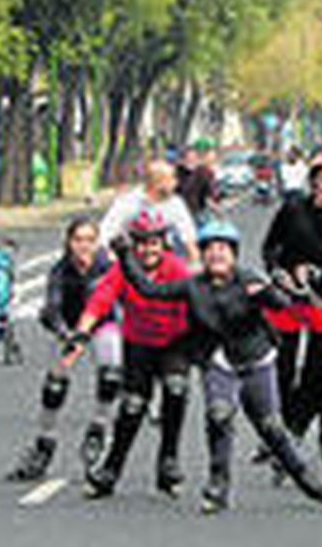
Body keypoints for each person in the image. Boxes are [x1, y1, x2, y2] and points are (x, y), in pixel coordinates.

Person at [103, 222, 322, 512]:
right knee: (219, 415)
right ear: (203, 256)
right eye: (210, 249)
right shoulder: (193, 286)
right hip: (218, 360)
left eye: (223, 249)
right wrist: (125, 253)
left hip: (255, 359)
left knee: (270, 427)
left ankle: (309, 482)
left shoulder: (249, 279)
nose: (216, 255)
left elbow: (282, 304)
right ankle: (218, 485)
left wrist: (269, 292)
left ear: (234, 255)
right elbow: (149, 289)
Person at [72, 210, 195, 498]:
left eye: (153, 243)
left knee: (176, 390)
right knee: (133, 406)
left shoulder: (176, 268)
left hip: (174, 342)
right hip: (138, 343)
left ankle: (168, 460)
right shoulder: (123, 268)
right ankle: (111, 470)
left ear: (163, 243)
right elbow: (101, 298)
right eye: (141, 243)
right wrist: (82, 330)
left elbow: (196, 303)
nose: (147, 250)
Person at [261, 148, 322, 489]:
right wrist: (278, 273)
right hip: (288, 299)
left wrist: (318, 274)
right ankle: (285, 436)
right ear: (312, 181)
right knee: (283, 370)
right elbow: (270, 247)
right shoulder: (292, 209)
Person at [6, 218, 120, 481]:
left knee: (111, 372)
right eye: (78, 240)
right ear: (69, 243)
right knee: (55, 384)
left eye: (90, 240)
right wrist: (66, 334)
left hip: (103, 324)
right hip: (68, 328)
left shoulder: (108, 267)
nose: (84, 246)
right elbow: (53, 308)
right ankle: (44, 441)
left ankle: (99, 428)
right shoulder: (60, 271)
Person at [99, 159, 199, 260]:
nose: (176, 183)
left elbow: (188, 233)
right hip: (132, 254)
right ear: (157, 182)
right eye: (171, 179)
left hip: (163, 255)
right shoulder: (129, 201)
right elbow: (108, 229)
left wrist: (193, 257)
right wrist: (110, 254)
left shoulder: (175, 203)